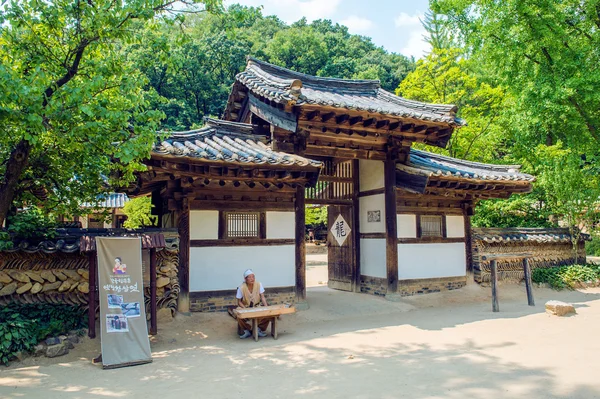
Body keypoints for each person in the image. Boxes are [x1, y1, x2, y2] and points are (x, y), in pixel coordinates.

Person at [236, 269, 269, 339]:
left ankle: (259, 329)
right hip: (246, 307)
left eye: (253, 277)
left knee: (268, 313)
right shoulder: (241, 288)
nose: (252, 279)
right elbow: (239, 301)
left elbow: (262, 297)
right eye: (250, 277)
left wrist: (266, 307)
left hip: (257, 306)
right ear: (245, 279)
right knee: (238, 313)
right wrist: (245, 309)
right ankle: (247, 330)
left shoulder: (258, 284)